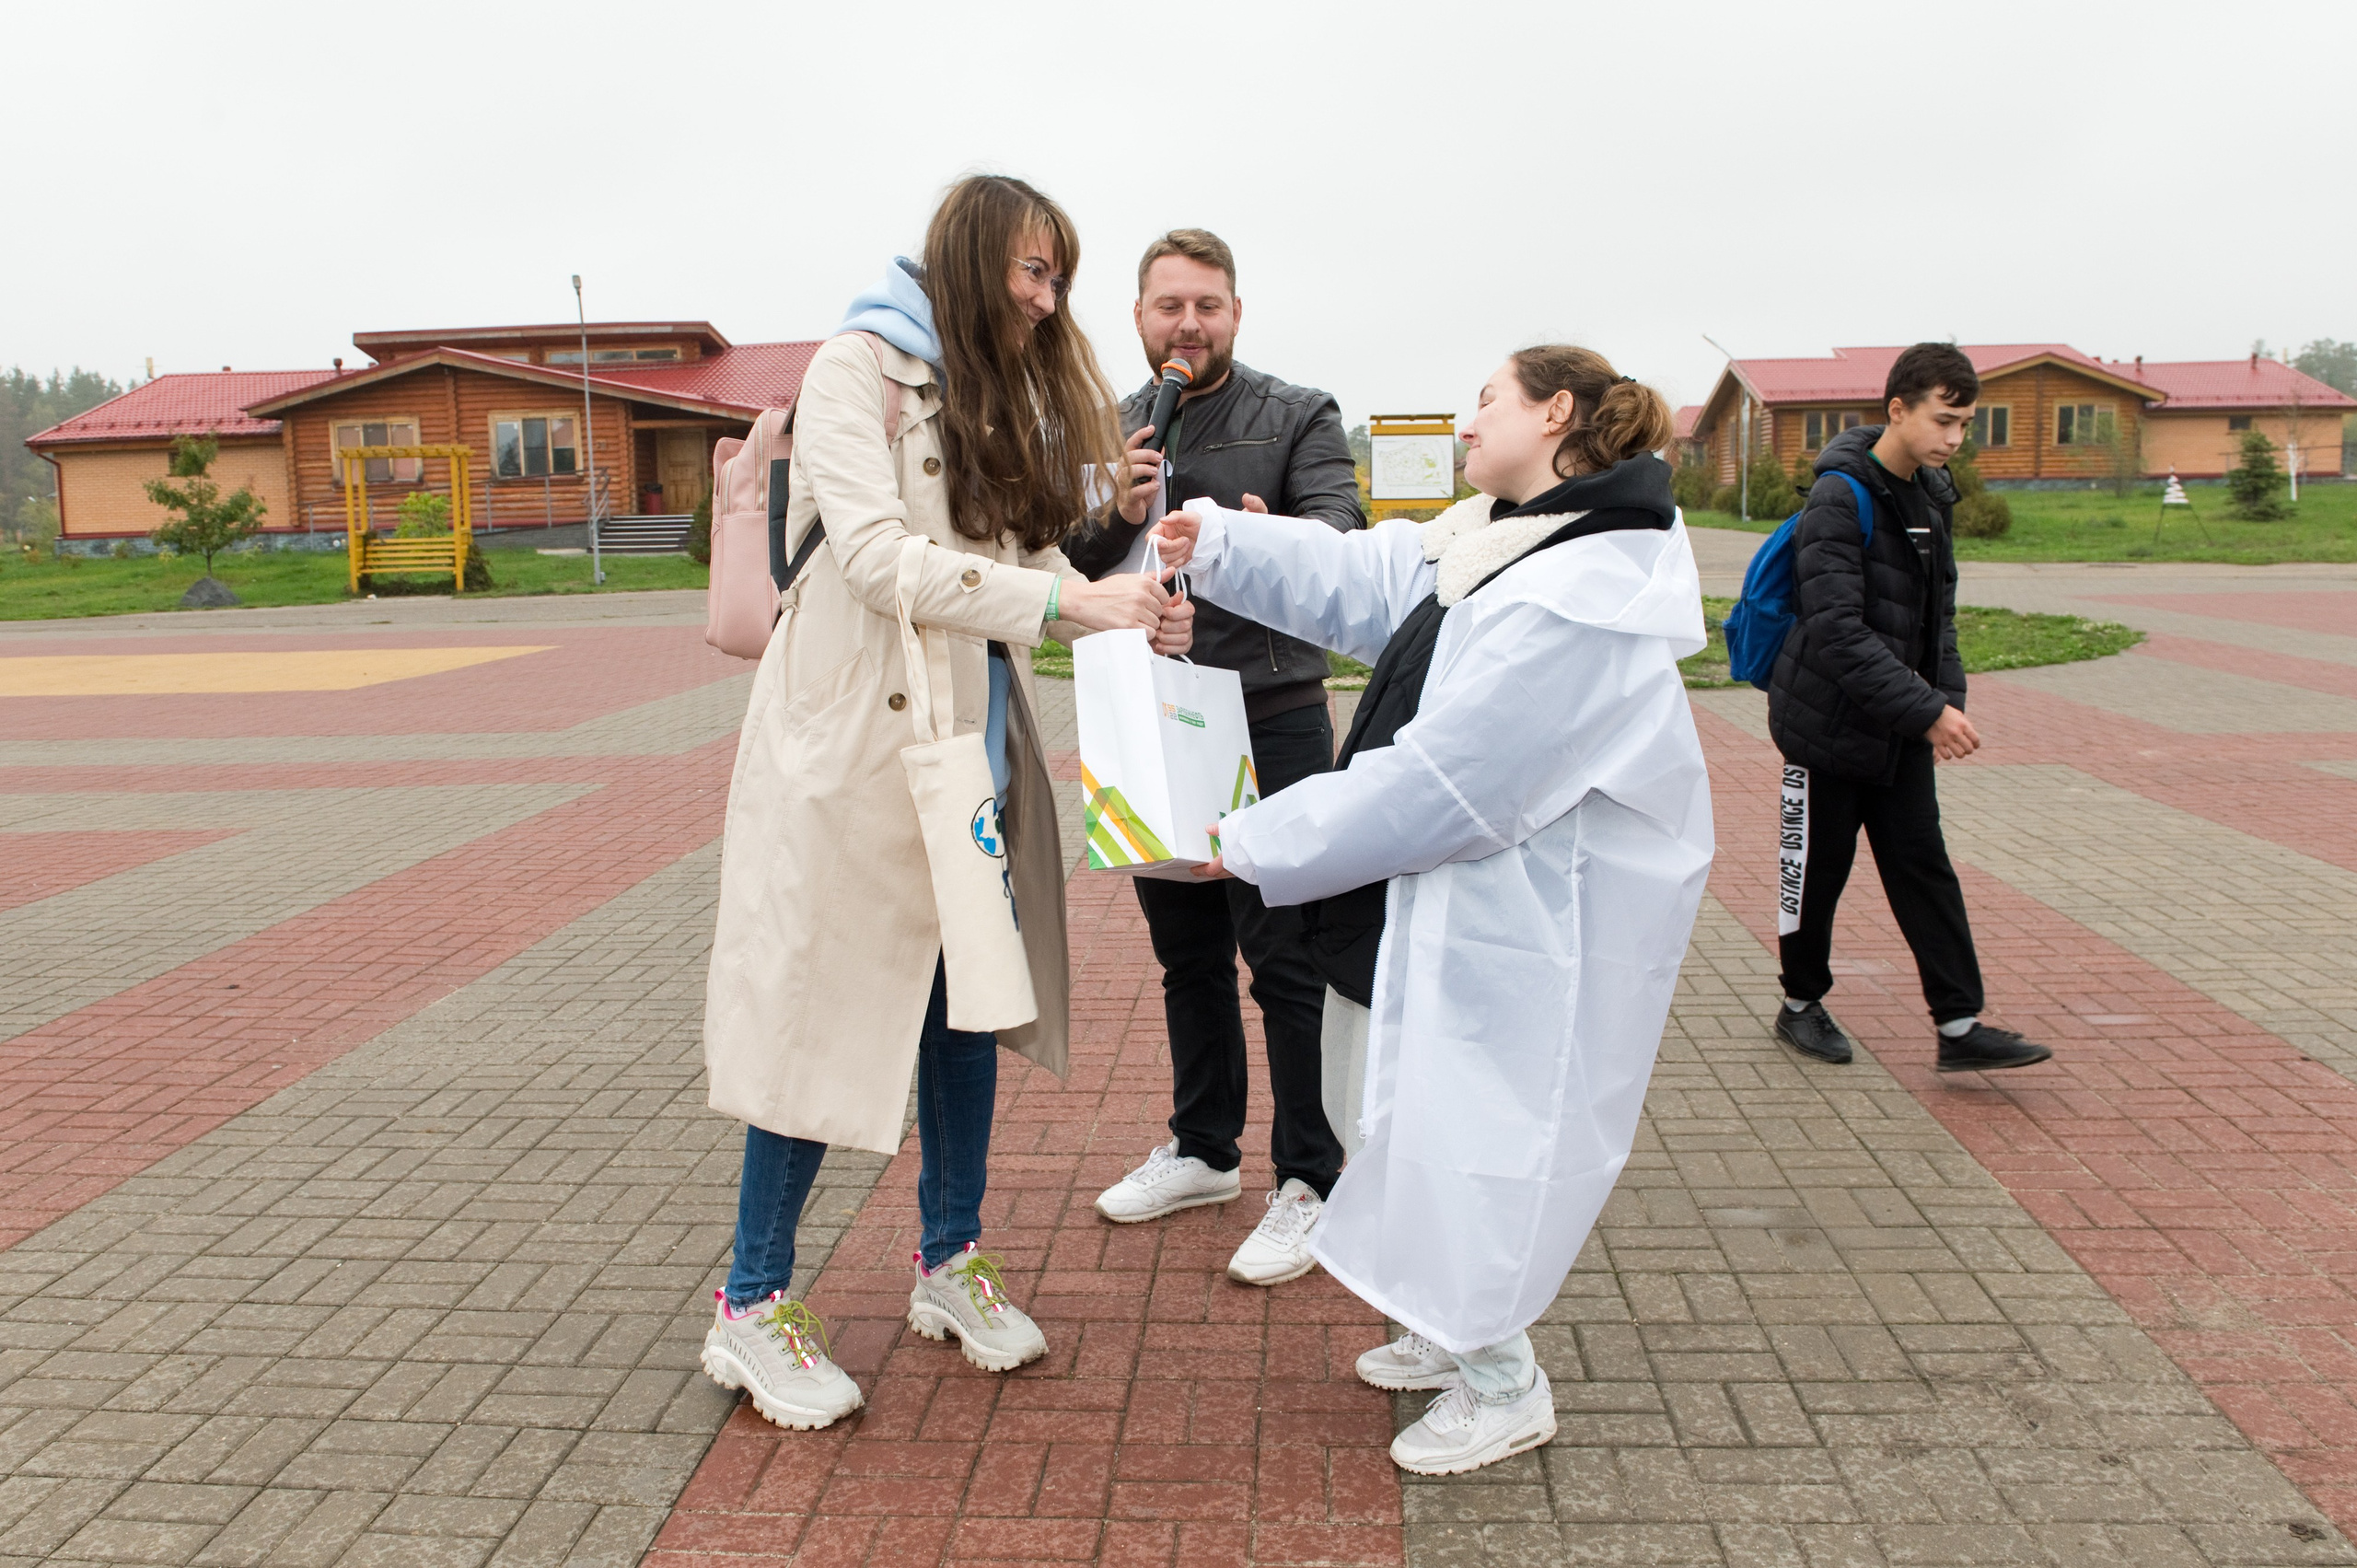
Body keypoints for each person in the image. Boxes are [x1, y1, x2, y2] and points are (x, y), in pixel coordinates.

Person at [1149, 346, 1713, 1475]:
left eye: (1489, 400)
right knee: (1389, 1109)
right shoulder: (1503, 536)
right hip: (1432, 903)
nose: (1469, 419)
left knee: (1472, 1135)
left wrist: (1250, 840)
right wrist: (1212, 538)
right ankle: (1444, 1329)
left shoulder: (1579, 589)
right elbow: (1365, 578)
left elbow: (1449, 781)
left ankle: (1503, 1377)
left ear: (1554, 412)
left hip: (1518, 923)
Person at [697, 175, 1192, 1432]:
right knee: (823, 1016)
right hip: (858, 748)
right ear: (976, 262)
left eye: (1058, 278)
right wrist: (1067, 604)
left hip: (972, 743)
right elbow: (872, 558)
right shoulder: (855, 367)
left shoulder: (996, 391)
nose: (1047, 299)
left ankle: (946, 1262)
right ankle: (750, 1306)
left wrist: (1120, 569)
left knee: (965, 1006)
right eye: (1033, 272)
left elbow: (1017, 556)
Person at [1064, 228, 1365, 1287]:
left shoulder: (1299, 413)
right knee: (1183, 952)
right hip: (1145, 714)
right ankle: (1201, 1148)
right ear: (1139, 316)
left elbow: (1338, 529)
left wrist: (1260, 532)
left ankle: (1310, 1176)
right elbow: (1065, 555)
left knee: (1282, 954)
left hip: (1266, 714)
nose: (1186, 325)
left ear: (1235, 311)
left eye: (1207, 305)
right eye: (1167, 306)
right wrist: (1110, 499)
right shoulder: (1110, 422)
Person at [1764, 343, 2050, 1074]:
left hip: (1899, 726)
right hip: (1825, 726)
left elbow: (1938, 618)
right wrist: (1924, 710)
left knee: (1923, 866)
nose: (1955, 440)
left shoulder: (1932, 494)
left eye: (1965, 425)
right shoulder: (1839, 495)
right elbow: (1836, 629)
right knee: (1817, 872)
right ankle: (1800, 1005)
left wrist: (1942, 703)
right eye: (1944, 421)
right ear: (1898, 409)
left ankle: (1959, 1025)